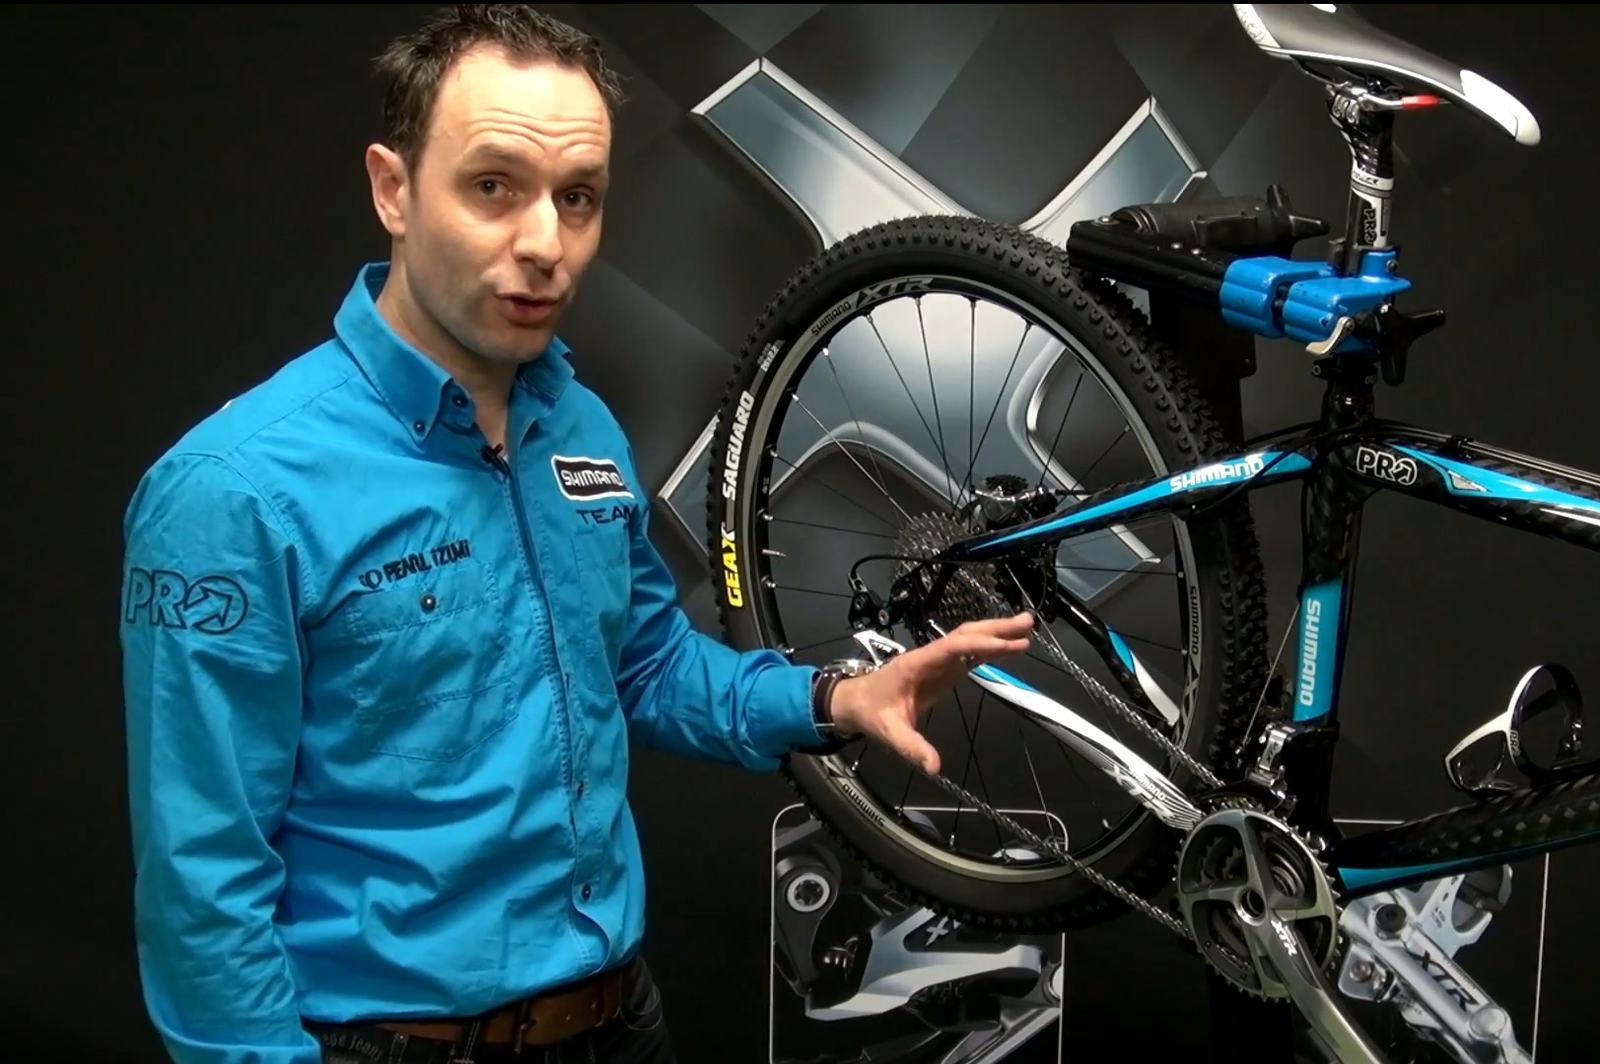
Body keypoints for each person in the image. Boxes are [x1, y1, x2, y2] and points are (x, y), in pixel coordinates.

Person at [118, 5, 1035, 1063]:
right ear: (393, 189)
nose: (545, 244)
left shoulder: (578, 425)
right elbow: (202, 882)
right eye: (492, 186)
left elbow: (643, 663)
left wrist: (833, 698)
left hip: (618, 1021)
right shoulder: (233, 490)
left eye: (578, 197)